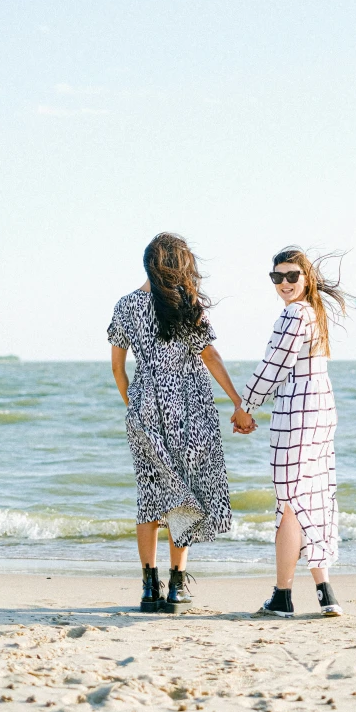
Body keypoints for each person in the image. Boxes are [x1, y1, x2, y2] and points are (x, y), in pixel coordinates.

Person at [108, 232, 255, 613]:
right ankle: (176, 585)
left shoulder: (125, 306)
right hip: (189, 409)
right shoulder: (186, 304)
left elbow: (118, 368)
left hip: (144, 409)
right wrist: (239, 402)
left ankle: (147, 586)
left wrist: (135, 407)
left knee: (150, 494)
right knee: (184, 491)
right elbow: (211, 358)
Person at [233, 247, 350, 617]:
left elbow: (273, 366)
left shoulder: (293, 314)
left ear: (306, 278)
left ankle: (282, 596)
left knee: (288, 504)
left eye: (291, 276)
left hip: (296, 415)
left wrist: (244, 407)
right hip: (321, 411)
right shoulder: (315, 312)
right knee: (313, 497)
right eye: (277, 277)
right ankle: (325, 593)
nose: (284, 283)